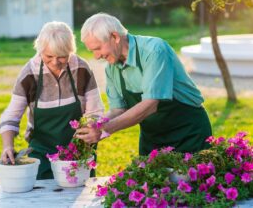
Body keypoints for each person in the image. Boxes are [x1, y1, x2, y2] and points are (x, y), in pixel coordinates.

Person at [76, 13, 212, 156]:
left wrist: (105, 129)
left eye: (98, 48)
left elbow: (150, 105)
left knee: (191, 178)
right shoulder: (111, 68)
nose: (96, 56)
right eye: (92, 51)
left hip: (188, 132)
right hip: (153, 139)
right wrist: (94, 126)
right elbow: (117, 109)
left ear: (115, 37)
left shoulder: (155, 51)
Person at [0, 21, 104, 179]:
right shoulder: (29, 73)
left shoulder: (81, 69)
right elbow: (11, 116)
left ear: (70, 51)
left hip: (78, 155)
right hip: (42, 155)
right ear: (40, 50)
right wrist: (8, 146)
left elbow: (95, 112)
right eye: (48, 56)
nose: (55, 62)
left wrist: (88, 133)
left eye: (62, 57)